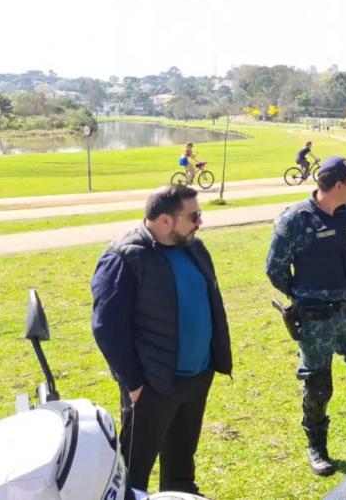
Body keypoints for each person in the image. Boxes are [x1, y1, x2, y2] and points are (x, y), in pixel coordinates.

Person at [91, 185, 233, 495]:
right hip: (153, 384)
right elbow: (106, 326)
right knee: (134, 469)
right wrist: (134, 383)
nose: (200, 222)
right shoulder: (124, 256)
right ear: (166, 220)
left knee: (182, 458)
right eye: (194, 215)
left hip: (197, 376)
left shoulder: (194, 247)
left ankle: (181, 491)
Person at [265, 157, 346, 477]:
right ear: (338, 185)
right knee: (318, 386)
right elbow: (275, 269)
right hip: (315, 321)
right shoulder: (295, 220)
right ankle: (318, 448)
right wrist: (303, 297)